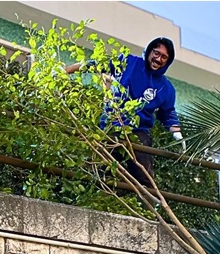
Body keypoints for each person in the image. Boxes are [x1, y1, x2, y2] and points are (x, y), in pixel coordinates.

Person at [66, 37, 184, 189]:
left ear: (168, 61)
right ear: (149, 51)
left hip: (139, 132)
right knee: (99, 169)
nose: (158, 59)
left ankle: (149, 208)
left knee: (145, 179)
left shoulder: (165, 88)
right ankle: (102, 198)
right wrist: (66, 70)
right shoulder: (129, 62)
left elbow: (168, 114)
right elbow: (97, 65)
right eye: (156, 53)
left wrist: (177, 133)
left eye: (164, 57)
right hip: (112, 124)